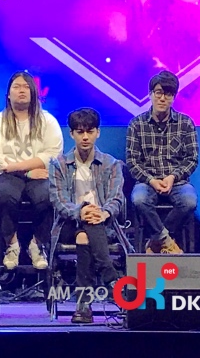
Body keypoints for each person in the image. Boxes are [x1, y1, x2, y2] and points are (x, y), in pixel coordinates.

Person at [49, 108, 132, 324]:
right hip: (68, 224)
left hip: (102, 225)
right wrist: (80, 211)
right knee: (85, 224)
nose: (85, 137)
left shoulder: (111, 164)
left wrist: (103, 213)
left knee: (85, 236)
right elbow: (59, 201)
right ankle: (110, 276)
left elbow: (116, 198)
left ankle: (83, 305)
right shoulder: (58, 165)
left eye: (90, 131)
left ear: (98, 133)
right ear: (71, 134)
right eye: (80, 132)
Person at [0, 72, 63, 270]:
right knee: (2, 196)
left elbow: (53, 154)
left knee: (49, 195)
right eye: (16, 86)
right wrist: (26, 172)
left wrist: (17, 166)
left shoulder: (47, 121)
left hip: (40, 175)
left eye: (26, 87)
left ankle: (38, 245)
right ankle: (11, 245)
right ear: (8, 94)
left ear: (34, 93)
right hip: (6, 176)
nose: (21, 90)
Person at [126, 70, 199, 254]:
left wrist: (173, 177)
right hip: (147, 181)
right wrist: (151, 180)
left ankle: (156, 241)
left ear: (173, 97)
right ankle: (166, 240)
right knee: (139, 199)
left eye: (168, 94)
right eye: (158, 92)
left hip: (177, 182)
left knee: (189, 201)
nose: (162, 98)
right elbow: (133, 162)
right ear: (150, 94)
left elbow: (192, 159)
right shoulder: (137, 124)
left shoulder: (185, 123)